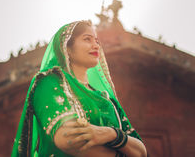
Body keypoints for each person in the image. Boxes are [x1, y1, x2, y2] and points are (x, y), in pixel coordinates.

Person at [12, 20, 147, 157]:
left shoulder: (108, 101)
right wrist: (122, 150)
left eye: (97, 41)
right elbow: (69, 140)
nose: (96, 46)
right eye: (87, 39)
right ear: (67, 48)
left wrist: (111, 134)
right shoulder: (49, 81)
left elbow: (141, 151)